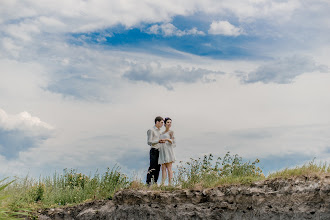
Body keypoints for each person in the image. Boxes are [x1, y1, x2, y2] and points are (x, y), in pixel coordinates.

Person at [146, 116, 165, 185]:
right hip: (154, 150)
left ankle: (155, 183)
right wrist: (158, 141)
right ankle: (148, 183)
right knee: (152, 166)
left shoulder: (160, 131)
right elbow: (149, 142)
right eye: (162, 122)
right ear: (157, 122)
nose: (163, 124)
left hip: (160, 151)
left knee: (158, 167)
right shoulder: (151, 130)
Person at [158, 117, 176, 186]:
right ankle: (162, 184)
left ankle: (170, 184)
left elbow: (173, 141)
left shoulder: (171, 132)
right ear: (165, 124)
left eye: (170, 122)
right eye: (168, 122)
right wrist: (160, 141)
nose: (169, 124)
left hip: (168, 150)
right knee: (163, 168)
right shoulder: (162, 133)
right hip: (162, 150)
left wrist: (167, 139)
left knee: (169, 168)